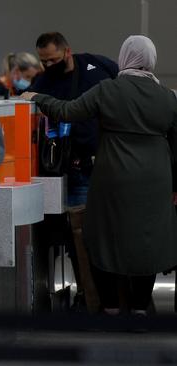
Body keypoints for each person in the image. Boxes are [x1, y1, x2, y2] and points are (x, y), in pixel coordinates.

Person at [23, 35, 177, 317]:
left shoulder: (108, 89)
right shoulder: (167, 97)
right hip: (156, 179)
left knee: (101, 237)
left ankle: (111, 305)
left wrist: (37, 97)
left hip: (112, 175)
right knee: (148, 239)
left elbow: (67, 111)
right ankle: (141, 307)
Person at [30, 32, 119, 312]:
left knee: (113, 233)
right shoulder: (42, 83)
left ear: (67, 52)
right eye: (43, 61)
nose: (47, 66)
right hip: (75, 167)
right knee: (81, 237)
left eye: (53, 60)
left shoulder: (97, 66)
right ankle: (91, 297)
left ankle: (121, 298)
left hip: (106, 165)